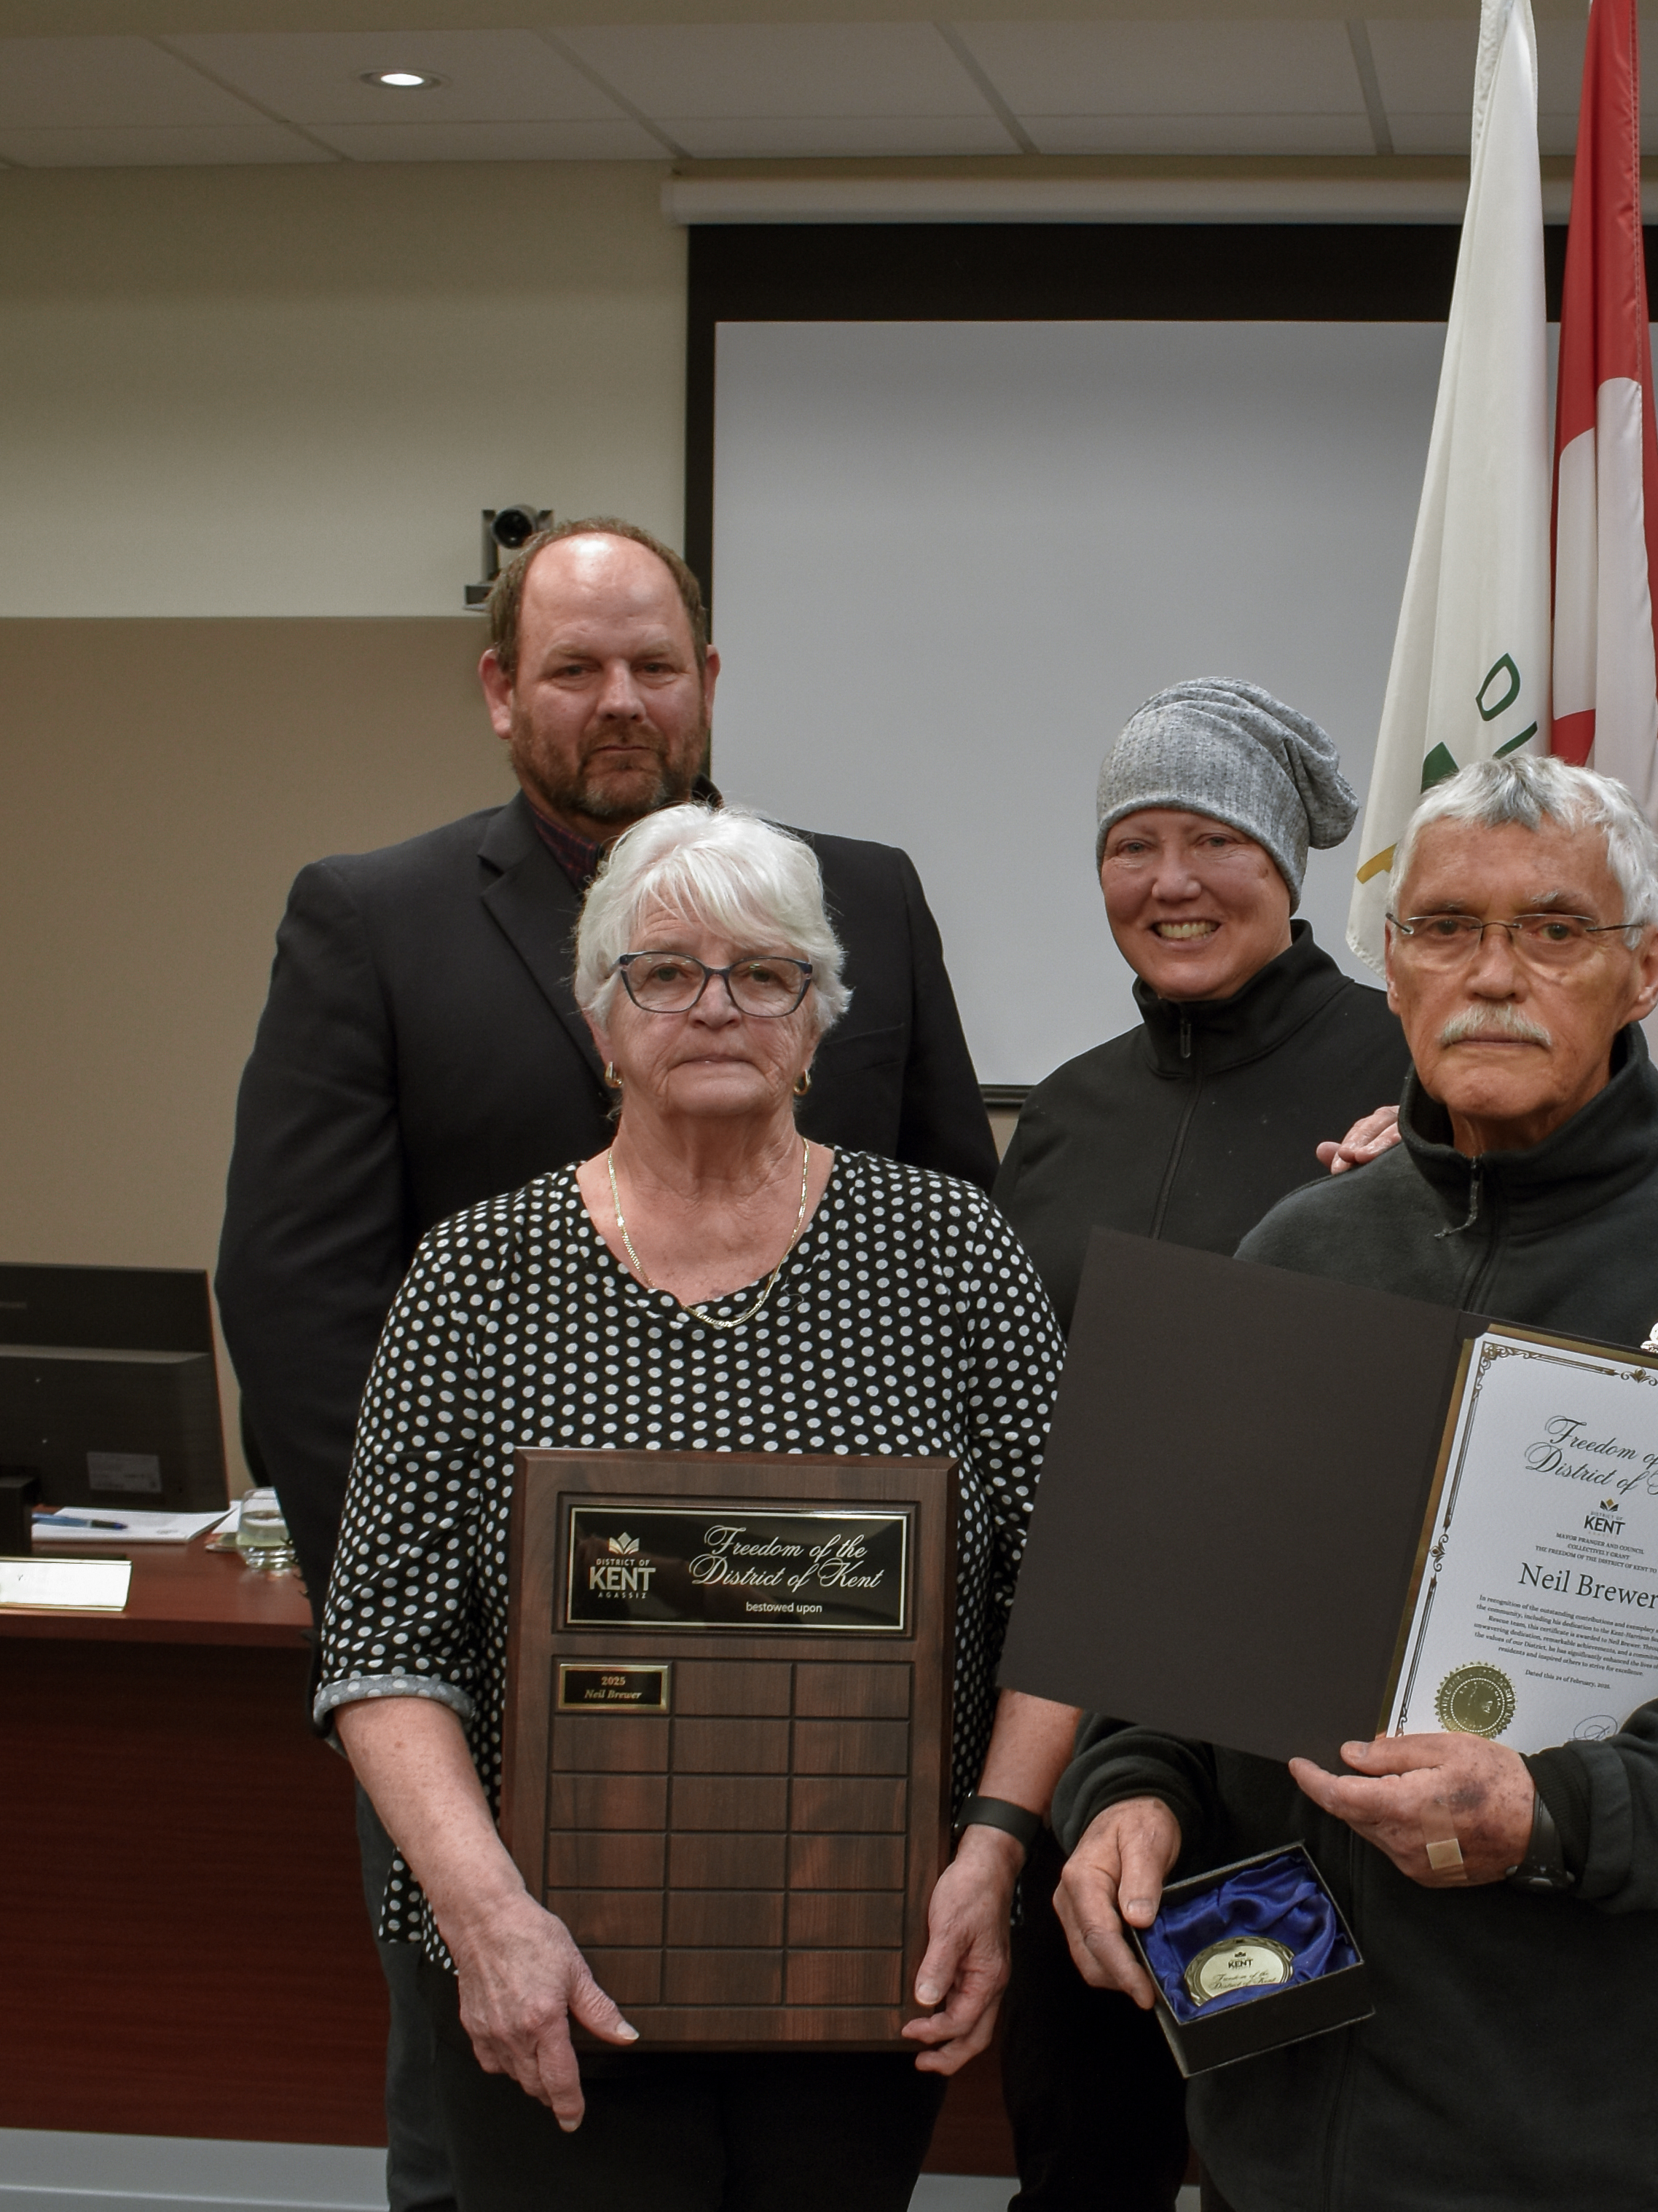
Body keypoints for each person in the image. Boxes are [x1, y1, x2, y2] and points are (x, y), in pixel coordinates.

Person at [1051, 755, 1658, 2212]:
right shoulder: (1298, 1253)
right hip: (1284, 2119)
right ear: (1391, 966)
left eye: (1553, 929)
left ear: (1644, 971)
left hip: (1612, 2132)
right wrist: (1130, 1792)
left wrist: (1562, 1810)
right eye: (1444, 929)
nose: (1491, 974)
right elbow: (1178, 1653)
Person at [216, 518, 994, 2212]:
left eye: (654, 663)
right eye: (575, 667)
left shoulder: (861, 896)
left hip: (837, 1724)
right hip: (493, 1718)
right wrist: (443, 1627)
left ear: (707, 679)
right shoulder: (373, 917)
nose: (621, 698)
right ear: (503, 691)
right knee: (495, 2117)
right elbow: (296, 1297)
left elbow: (957, 1234)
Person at [317, 804, 1071, 2210]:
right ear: (600, 1019)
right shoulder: (474, 1274)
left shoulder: (953, 1254)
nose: (716, 1005)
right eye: (664, 971)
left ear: (818, 1016)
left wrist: (994, 1852)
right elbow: (382, 1646)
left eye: (764, 972)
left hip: (868, 1952)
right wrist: (488, 1917)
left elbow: (1072, 1595)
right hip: (546, 1964)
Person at [992, 679, 1407, 2208]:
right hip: (1072, 1732)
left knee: (1285, 2164)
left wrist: (1426, 1189)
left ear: (1287, 863)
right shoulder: (1065, 1112)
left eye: (1214, 839)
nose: (1169, 881)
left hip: (1297, 1748)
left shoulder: (1411, 1083)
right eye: (1132, 844)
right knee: (1081, 2153)